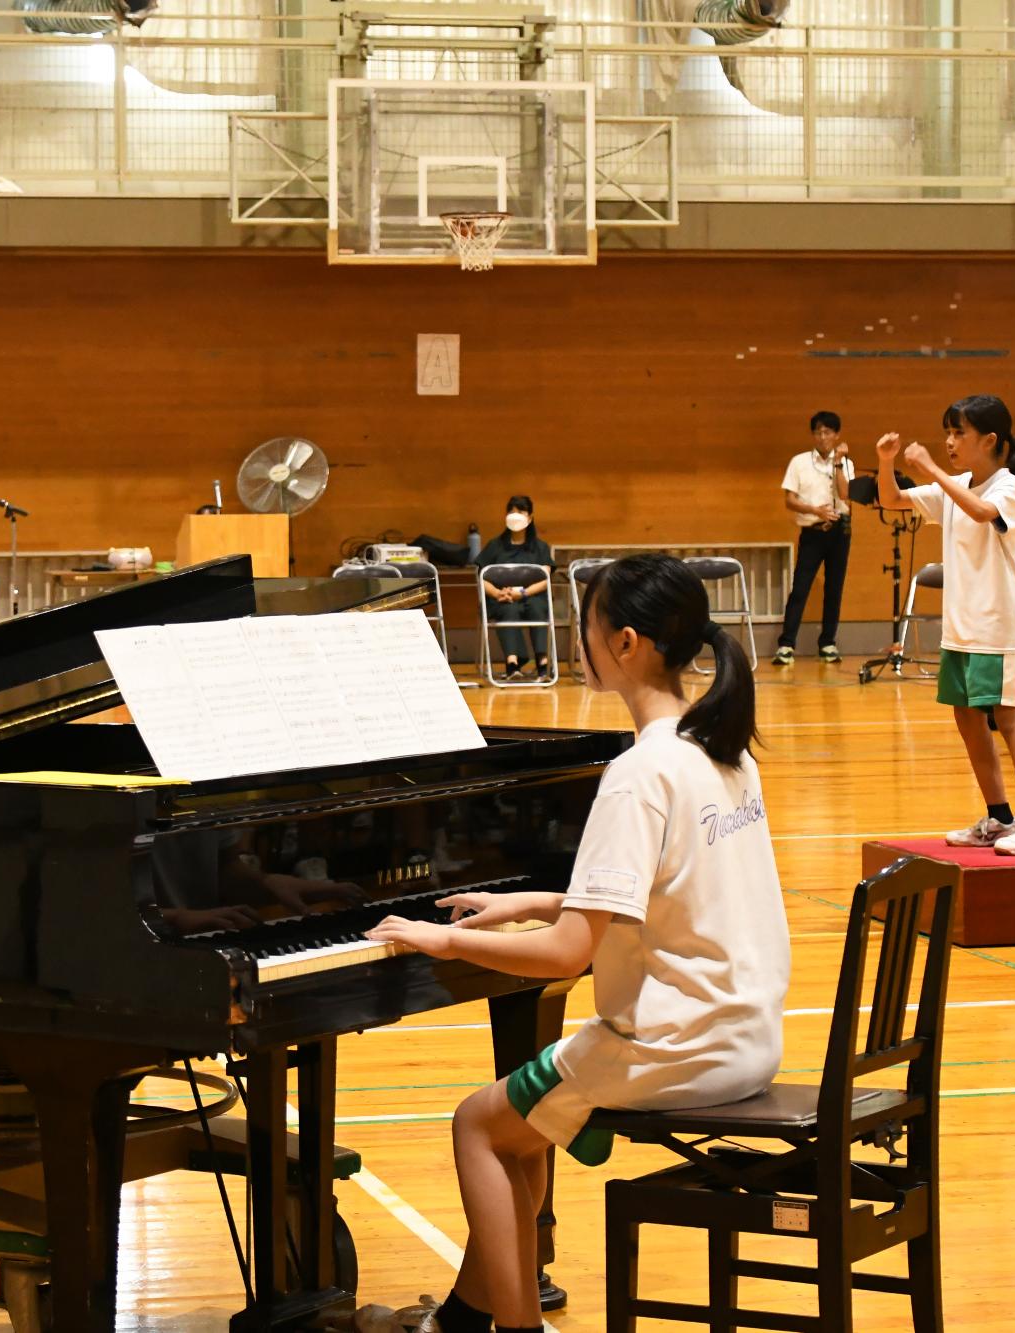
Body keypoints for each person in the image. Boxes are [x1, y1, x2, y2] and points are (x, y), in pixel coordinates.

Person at [359, 554, 787, 1333]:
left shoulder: (637, 773)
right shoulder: (724, 753)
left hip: (670, 1046)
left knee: (478, 1126)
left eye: (582, 624)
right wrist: (538, 897)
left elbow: (564, 955)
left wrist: (442, 943)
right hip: (748, 1036)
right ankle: (460, 1318)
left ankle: (516, 1327)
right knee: (529, 1117)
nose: (573, 638)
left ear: (626, 643)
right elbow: (678, 892)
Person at [876, 395, 1015, 855]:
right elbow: (891, 499)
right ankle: (1000, 816)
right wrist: (885, 463)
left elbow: (983, 512)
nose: (949, 442)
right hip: (960, 628)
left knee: (1008, 716)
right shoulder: (955, 485)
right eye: (948, 432)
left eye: (959, 433)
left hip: (997, 625)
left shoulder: (1008, 486)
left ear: (990, 440)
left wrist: (932, 473)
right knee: (967, 719)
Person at [773, 410, 854, 665]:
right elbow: (790, 500)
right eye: (817, 432)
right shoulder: (799, 462)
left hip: (839, 531)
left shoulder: (845, 462)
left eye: (827, 432)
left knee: (834, 588)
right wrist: (815, 510)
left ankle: (828, 643)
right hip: (812, 531)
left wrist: (839, 463)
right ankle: (786, 645)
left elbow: (845, 494)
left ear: (836, 435)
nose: (822, 437)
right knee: (800, 587)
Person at [475, 495, 555, 680]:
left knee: (537, 608)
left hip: (531, 596)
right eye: (511, 511)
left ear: (530, 517)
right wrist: (496, 592)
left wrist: (523, 592)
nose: (515, 515)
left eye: (520, 511)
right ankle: (512, 663)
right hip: (501, 598)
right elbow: (482, 576)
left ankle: (543, 662)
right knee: (508, 608)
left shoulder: (540, 548)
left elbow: (545, 578)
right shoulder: (495, 546)